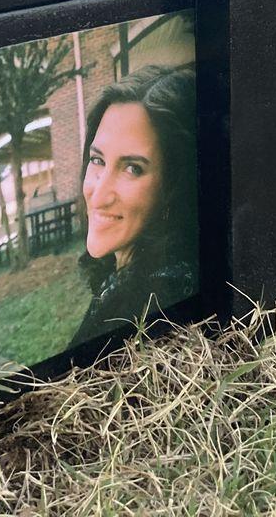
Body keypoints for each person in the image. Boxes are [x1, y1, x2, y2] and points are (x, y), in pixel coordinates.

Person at [68, 65, 198, 349]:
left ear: (175, 187)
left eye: (132, 168)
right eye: (98, 160)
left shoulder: (146, 308)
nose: (98, 196)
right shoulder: (126, 281)